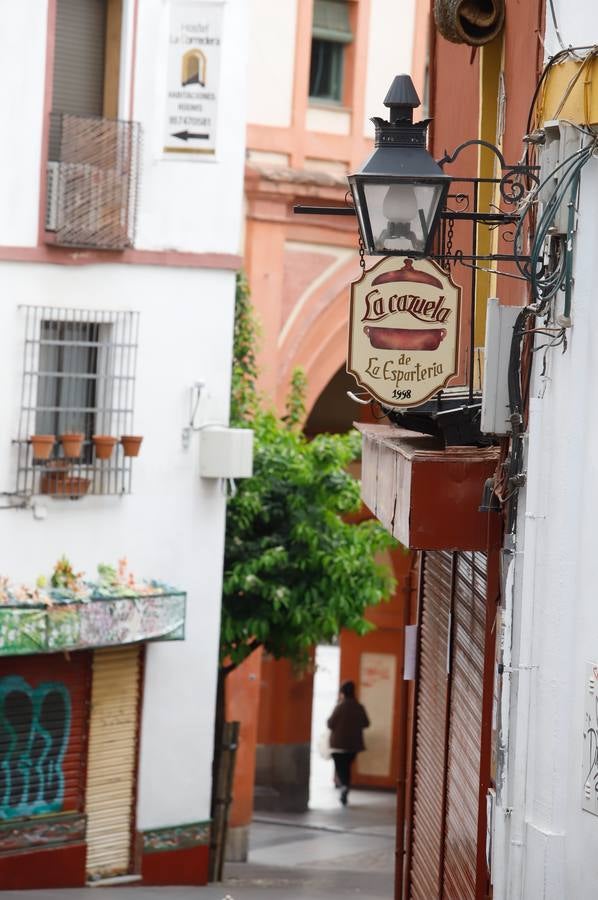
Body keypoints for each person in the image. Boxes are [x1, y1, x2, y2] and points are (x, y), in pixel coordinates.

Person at [327, 680, 370, 806]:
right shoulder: (359, 707)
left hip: (338, 744)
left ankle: (344, 786)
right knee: (346, 767)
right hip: (354, 745)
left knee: (341, 768)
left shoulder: (339, 706)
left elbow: (330, 723)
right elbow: (366, 723)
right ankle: (345, 787)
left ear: (342, 692)